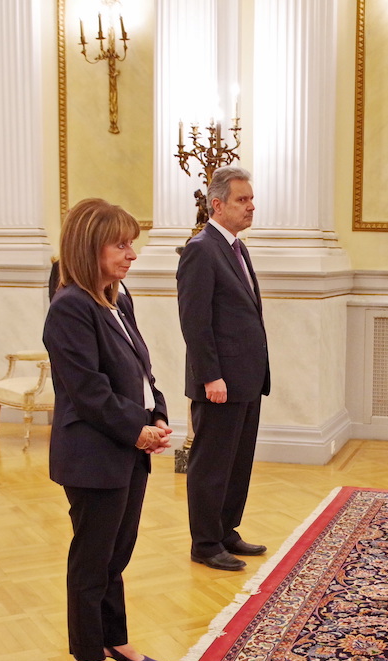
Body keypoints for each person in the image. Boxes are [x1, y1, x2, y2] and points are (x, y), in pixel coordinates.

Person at [43, 198, 172, 661]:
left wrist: (156, 412)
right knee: (92, 559)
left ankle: (114, 639)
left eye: (131, 242)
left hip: (127, 446)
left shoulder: (117, 299)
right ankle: (88, 654)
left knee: (116, 553)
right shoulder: (69, 307)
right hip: (93, 453)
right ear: (88, 246)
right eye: (120, 244)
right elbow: (88, 391)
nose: (132, 253)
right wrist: (136, 429)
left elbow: (141, 369)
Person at [176, 165, 270, 571]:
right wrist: (210, 375)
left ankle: (227, 530)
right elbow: (194, 321)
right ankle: (205, 542)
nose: (251, 206)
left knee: (237, 461)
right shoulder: (201, 248)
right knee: (211, 464)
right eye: (242, 200)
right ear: (218, 204)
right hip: (220, 382)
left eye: (251, 198)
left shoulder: (236, 247)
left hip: (246, 379)